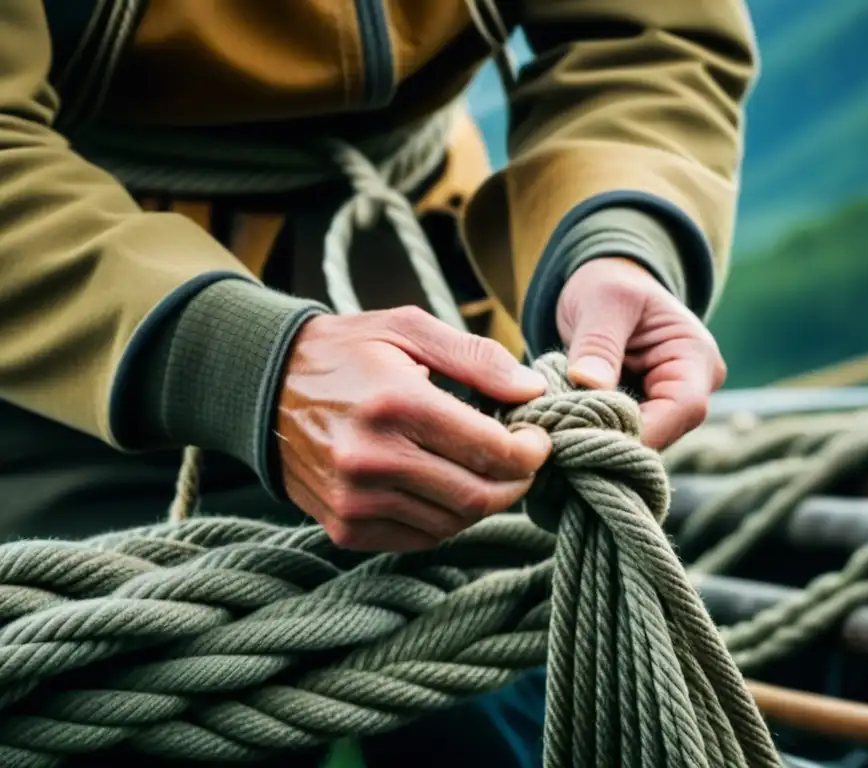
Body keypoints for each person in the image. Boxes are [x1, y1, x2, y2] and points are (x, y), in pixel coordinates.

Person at [0, 0, 757, 764]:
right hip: (64, 370)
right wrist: (234, 363)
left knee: (515, 715)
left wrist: (617, 240)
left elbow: (647, 32)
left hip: (451, 339)